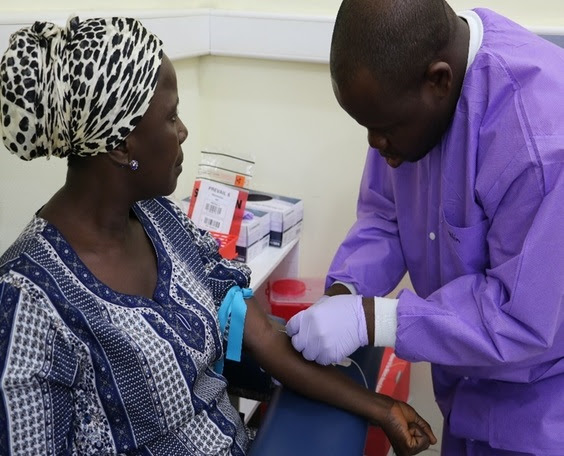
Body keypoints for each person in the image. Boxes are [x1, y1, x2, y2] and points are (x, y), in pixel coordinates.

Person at [0, 16, 437, 456]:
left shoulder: (159, 220)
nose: (183, 130)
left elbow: (261, 334)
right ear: (120, 146)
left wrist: (382, 408)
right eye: (171, 117)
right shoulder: (26, 301)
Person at [286, 0, 564, 455]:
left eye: (384, 130)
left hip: (543, 411)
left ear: (439, 80)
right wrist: (346, 293)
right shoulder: (407, 103)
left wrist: (377, 320)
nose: (377, 146)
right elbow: (387, 216)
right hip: (468, 396)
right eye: (367, 130)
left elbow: (522, 316)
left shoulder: (540, 143)